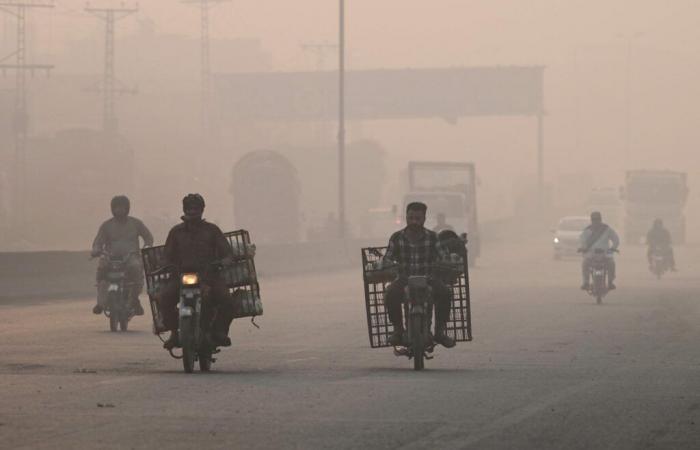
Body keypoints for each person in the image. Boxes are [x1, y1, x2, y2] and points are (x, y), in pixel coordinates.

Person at [159, 194, 235, 350]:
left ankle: (220, 331)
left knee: (227, 300)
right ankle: (174, 333)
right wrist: (167, 265)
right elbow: (166, 255)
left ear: (201, 210)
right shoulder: (176, 232)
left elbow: (228, 254)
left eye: (195, 208)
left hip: (209, 276)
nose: (192, 212)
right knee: (163, 298)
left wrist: (222, 263)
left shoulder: (212, 230)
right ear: (184, 210)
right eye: (189, 208)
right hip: (181, 276)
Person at [383, 202, 456, 348]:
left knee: (446, 293)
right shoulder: (397, 237)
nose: (414, 221)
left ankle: (439, 332)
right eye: (411, 218)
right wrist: (387, 265)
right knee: (390, 293)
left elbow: (444, 257)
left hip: (429, 278)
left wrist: (446, 264)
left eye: (418, 218)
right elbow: (388, 259)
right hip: (404, 279)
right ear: (406, 217)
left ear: (424, 219)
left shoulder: (433, 237)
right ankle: (398, 330)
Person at [91, 195, 153, 315]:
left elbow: (148, 237)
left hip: (131, 257)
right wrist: (96, 250)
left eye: (122, 208)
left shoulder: (136, 223)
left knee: (136, 268)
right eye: (117, 208)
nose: (119, 210)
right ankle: (100, 303)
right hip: (110, 257)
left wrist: (147, 246)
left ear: (127, 208)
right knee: (101, 271)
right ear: (112, 209)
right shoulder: (106, 225)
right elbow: (98, 241)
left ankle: (134, 300)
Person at [578, 211, 620, 290]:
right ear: (591, 220)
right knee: (585, 263)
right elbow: (582, 240)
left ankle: (610, 282)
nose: (596, 221)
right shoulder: (587, 230)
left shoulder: (607, 229)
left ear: (600, 219)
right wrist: (583, 248)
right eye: (594, 220)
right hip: (591, 254)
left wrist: (613, 247)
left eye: (597, 219)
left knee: (611, 264)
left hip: (605, 254)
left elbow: (616, 239)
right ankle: (586, 282)